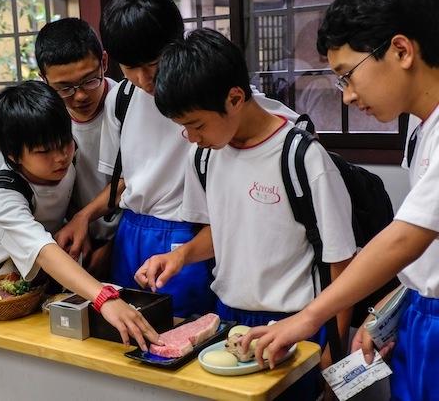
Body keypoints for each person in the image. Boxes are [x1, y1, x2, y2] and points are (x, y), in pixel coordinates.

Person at [242, 0, 439, 400]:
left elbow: (406, 237)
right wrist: (392, 305)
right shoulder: (421, 127)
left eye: (347, 75)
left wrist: (307, 318)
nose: (347, 96)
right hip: (422, 314)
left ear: (401, 51)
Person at [134, 28, 356, 398]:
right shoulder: (203, 156)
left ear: (235, 98)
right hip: (227, 320)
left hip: (297, 325)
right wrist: (180, 256)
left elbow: (341, 265)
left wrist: (333, 351)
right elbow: (221, 231)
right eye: (183, 128)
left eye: (197, 124)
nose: (191, 137)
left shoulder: (302, 158)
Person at [53, 0, 215, 318]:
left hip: (186, 234)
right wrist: (84, 216)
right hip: (131, 233)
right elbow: (125, 181)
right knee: (122, 330)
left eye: (153, 64)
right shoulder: (122, 99)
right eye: (130, 67)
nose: (143, 79)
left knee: (183, 331)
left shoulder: (207, 94)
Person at [0, 80, 160, 351]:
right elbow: (43, 251)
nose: (61, 157)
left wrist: (79, 225)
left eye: (65, 143)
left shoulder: (67, 163)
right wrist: (104, 297)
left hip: (49, 282)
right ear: (14, 156)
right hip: (5, 288)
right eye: (44, 152)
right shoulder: (4, 196)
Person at [35, 18, 118, 279]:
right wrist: (78, 226)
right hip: (78, 241)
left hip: (129, 239)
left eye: (89, 80)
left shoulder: (126, 106)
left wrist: (113, 246)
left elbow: (140, 183)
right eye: (64, 88)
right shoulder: (47, 119)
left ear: (104, 62)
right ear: (44, 79)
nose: (80, 96)